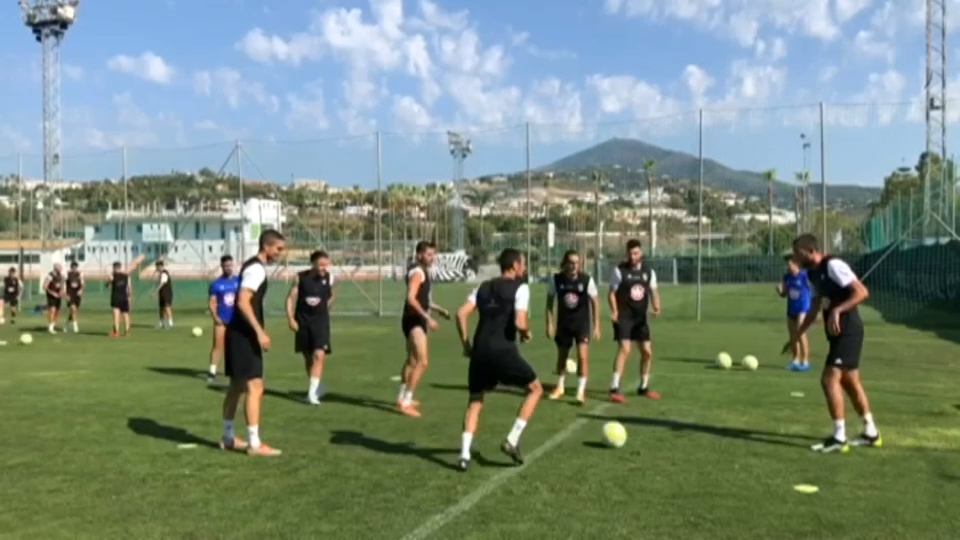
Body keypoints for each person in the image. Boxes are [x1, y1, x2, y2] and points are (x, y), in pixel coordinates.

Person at [786, 234, 881, 454]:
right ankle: (871, 432)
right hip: (838, 333)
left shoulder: (833, 265)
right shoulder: (813, 273)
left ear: (810, 251)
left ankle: (839, 437)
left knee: (829, 379)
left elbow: (862, 292)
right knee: (849, 381)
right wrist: (797, 333)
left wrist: (838, 310)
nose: (794, 256)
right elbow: (816, 305)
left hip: (849, 330)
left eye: (798, 251)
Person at [454, 248, 542, 472]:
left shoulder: (483, 286)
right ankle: (512, 440)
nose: (524, 267)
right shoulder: (520, 287)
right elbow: (520, 322)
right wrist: (526, 333)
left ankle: (464, 454)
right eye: (522, 263)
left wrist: (466, 345)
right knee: (535, 389)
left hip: (480, 350)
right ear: (514, 266)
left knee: (475, 399)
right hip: (503, 350)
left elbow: (461, 313)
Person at [219, 229, 286, 457]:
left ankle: (228, 437)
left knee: (236, 386)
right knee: (255, 387)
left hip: (237, 333)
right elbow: (243, 302)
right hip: (245, 336)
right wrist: (259, 331)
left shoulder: (251, 266)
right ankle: (254, 444)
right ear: (266, 246)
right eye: (278, 249)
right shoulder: (256, 269)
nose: (280, 253)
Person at [396, 240, 450, 418]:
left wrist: (437, 309)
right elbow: (411, 298)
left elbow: (422, 299)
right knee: (422, 361)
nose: (432, 257)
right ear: (419, 255)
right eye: (428, 254)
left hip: (413, 318)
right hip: (415, 321)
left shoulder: (420, 270)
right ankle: (406, 401)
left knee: (411, 360)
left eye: (433, 254)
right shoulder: (418, 273)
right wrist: (428, 318)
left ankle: (401, 397)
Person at [608, 239, 661, 403]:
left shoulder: (649, 272)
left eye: (636, 253)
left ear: (641, 253)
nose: (632, 256)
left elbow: (653, 291)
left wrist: (657, 306)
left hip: (640, 319)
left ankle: (643, 387)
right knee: (625, 349)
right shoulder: (619, 271)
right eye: (630, 253)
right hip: (624, 317)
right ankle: (614, 388)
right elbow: (611, 293)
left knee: (647, 352)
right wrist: (615, 311)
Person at [545, 249, 600, 405]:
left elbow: (595, 302)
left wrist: (597, 326)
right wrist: (549, 323)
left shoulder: (586, 280)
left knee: (582, 357)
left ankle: (581, 391)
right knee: (562, 356)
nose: (574, 266)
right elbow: (549, 303)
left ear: (580, 264)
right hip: (564, 324)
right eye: (571, 262)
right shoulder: (556, 280)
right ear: (565, 263)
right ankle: (560, 387)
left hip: (581, 324)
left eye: (576, 263)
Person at [285, 250, 336, 405]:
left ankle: (311, 394)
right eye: (320, 265)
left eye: (326, 265)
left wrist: (325, 307)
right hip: (303, 322)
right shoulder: (299, 278)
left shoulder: (330, 278)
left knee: (319, 356)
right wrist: (290, 319)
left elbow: (332, 294)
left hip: (320, 323)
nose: (323, 268)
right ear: (312, 263)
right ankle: (317, 386)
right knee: (308, 357)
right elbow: (289, 299)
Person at [206, 255, 239, 385]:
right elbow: (212, 303)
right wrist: (215, 317)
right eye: (226, 266)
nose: (228, 268)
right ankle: (212, 371)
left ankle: (235, 371)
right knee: (217, 346)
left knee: (236, 347)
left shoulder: (239, 281)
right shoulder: (216, 284)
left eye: (230, 265)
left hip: (236, 320)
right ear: (222, 267)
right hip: (222, 320)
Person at [778, 255, 811, 372]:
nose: (788, 265)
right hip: (791, 308)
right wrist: (780, 291)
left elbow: (812, 288)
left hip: (803, 308)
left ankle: (805, 361)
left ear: (797, 263)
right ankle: (796, 360)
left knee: (801, 332)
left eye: (790, 262)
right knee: (793, 335)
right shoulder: (787, 277)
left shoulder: (804, 275)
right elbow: (784, 294)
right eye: (787, 263)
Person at [107, 261, 132, 337]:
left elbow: (109, 283)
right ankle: (127, 332)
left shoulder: (112, 275)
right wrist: (129, 297)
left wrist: (108, 279)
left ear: (114, 268)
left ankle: (116, 332)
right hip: (124, 297)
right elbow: (129, 288)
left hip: (116, 297)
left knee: (116, 314)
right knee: (126, 314)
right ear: (120, 267)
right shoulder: (126, 276)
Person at [43, 263, 65, 334]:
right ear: (56, 268)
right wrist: (53, 293)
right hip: (51, 295)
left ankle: (53, 324)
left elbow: (62, 285)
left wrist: (62, 291)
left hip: (58, 296)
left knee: (57, 311)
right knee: (52, 310)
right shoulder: (50, 276)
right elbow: (44, 286)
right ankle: (51, 327)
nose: (61, 268)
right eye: (60, 267)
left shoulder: (61, 276)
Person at [65, 261, 85, 333]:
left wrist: (81, 290)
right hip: (70, 294)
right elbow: (64, 284)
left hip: (77, 294)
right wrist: (66, 294)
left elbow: (83, 284)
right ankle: (75, 326)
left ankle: (67, 324)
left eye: (75, 267)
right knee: (73, 309)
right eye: (73, 267)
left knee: (74, 311)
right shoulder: (67, 274)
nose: (74, 268)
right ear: (71, 267)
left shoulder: (80, 274)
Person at [153, 261, 174, 328]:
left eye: (157, 267)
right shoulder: (160, 274)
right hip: (161, 292)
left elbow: (162, 283)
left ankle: (170, 321)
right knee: (162, 307)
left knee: (167, 306)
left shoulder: (164, 273)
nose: (156, 268)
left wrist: (156, 291)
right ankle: (161, 322)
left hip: (166, 292)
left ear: (160, 266)